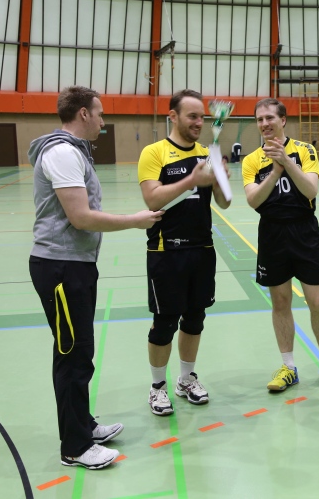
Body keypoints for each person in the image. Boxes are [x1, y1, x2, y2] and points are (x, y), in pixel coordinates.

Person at [28, 86, 163, 469]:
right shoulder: (62, 153)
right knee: (73, 355)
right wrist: (134, 221)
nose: (103, 120)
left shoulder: (74, 152)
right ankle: (75, 447)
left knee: (79, 352)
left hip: (75, 265)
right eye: (100, 113)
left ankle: (83, 425)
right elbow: (81, 217)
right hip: (61, 267)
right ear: (84, 113)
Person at [138, 89, 231, 416]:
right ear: (173, 116)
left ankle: (186, 379)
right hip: (166, 251)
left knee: (195, 318)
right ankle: (157, 387)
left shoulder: (208, 153)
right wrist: (193, 178)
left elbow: (224, 202)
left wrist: (219, 180)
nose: (199, 122)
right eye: (192, 116)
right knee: (164, 322)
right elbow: (153, 199)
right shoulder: (154, 153)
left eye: (202, 117)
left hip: (202, 249)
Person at [242, 98, 319, 393]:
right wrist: (274, 172)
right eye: (259, 119)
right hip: (272, 233)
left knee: (318, 302)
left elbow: (310, 190)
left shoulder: (305, 150)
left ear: (283, 120)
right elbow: (253, 201)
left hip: (304, 231)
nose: (264, 124)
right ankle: (288, 367)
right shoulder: (251, 160)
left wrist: (285, 161)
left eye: (269, 118)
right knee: (281, 302)